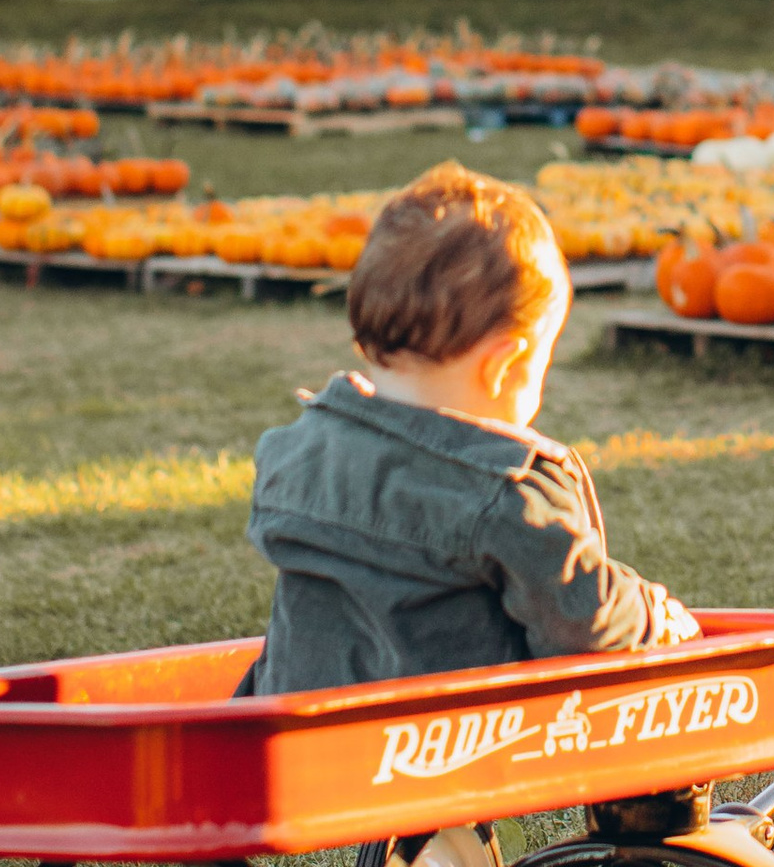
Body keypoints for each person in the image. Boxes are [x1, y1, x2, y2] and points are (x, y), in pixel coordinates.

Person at [247, 161, 699, 691]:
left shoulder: (293, 452)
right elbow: (585, 620)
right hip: (452, 751)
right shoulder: (505, 496)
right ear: (503, 366)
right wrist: (654, 615)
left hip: (300, 742)